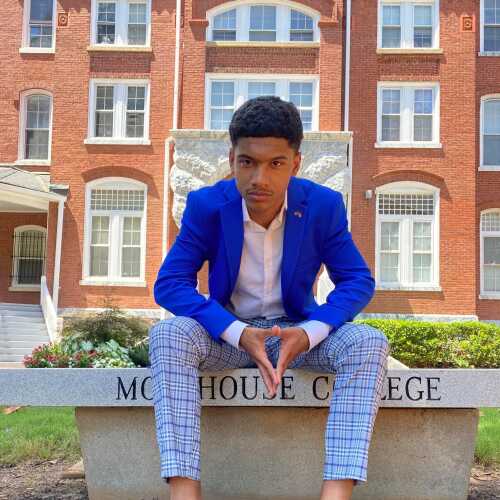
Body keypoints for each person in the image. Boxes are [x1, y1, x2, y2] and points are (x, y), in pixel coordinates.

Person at [149, 96, 390, 500]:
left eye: (275, 163)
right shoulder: (207, 205)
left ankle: (336, 494)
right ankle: (185, 492)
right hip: (227, 337)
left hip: (294, 336)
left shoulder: (322, 206)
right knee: (168, 335)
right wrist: (235, 331)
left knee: (368, 342)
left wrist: (310, 332)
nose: (259, 178)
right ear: (232, 159)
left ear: (295, 164)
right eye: (248, 162)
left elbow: (356, 280)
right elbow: (171, 282)